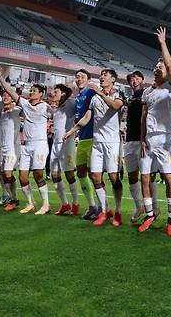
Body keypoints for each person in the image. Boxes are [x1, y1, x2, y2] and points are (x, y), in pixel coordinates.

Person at [64, 69, 125, 226]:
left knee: (113, 178)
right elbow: (86, 117)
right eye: (101, 75)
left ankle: (118, 211)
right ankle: (104, 210)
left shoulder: (119, 93)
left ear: (113, 79)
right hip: (97, 143)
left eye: (106, 75)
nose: (102, 77)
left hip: (112, 143)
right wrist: (71, 131)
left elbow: (115, 106)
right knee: (95, 177)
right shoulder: (95, 98)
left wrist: (101, 93)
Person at [0, 65, 51, 215]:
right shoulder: (24, 104)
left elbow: (57, 115)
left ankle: (46, 204)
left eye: (34, 91)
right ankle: (30, 202)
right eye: (30, 90)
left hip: (40, 144)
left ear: (41, 95)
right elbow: (11, 92)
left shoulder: (45, 107)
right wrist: (0, 77)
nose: (31, 92)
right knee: (22, 176)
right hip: (26, 145)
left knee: (38, 173)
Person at [137, 28, 171, 236]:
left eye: (160, 66)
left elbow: (170, 65)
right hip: (148, 141)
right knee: (145, 178)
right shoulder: (147, 91)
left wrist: (163, 43)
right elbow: (143, 116)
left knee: (169, 178)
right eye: (155, 67)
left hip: (165, 139)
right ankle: (150, 214)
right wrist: (143, 139)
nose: (156, 69)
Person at [123, 70, 150, 222]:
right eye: (131, 79)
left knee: (146, 177)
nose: (134, 81)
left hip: (143, 140)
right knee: (132, 176)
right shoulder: (130, 98)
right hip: (130, 141)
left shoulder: (147, 94)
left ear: (142, 79)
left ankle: (151, 208)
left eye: (136, 78)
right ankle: (139, 206)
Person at [49, 83, 80, 215]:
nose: (52, 94)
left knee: (69, 175)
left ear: (63, 94)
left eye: (56, 92)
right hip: (55, 145)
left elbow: (82, 109)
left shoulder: (71, 103)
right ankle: (64, 204)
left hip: (67, 144)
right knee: (54, 175)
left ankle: (76, 203)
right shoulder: (56, 109)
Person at [73, 69, 99, 220]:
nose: (79, 79)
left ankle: (102, 207)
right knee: (81, 172)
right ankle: (91, 206)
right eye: (77, 77)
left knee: (93, 175)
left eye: (82, 77)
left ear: (88, 79)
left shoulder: (91, 92)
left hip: (93, 138)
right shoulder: (78, 97)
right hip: (82, 139)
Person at [0, 90, 23, 212]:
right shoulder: (2, 112)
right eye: (4, 95)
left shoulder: (16, 110)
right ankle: (13, 198)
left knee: (8, 174)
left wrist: (15, 104)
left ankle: (14, 199)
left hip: (13, 148)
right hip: (4, 148)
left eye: (8, 95)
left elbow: (23, 108)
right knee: (4, 174)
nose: (5, 97)